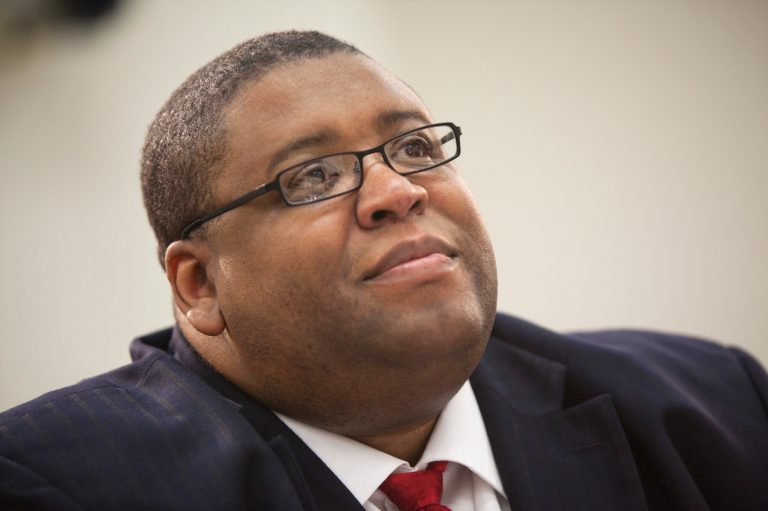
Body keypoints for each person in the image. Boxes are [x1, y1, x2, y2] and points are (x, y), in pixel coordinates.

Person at [0, 30, 766, 511]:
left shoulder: (719, 406)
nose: (397, 191)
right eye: (313, 176)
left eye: (417, 149)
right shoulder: (49, 484)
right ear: (200, 284)